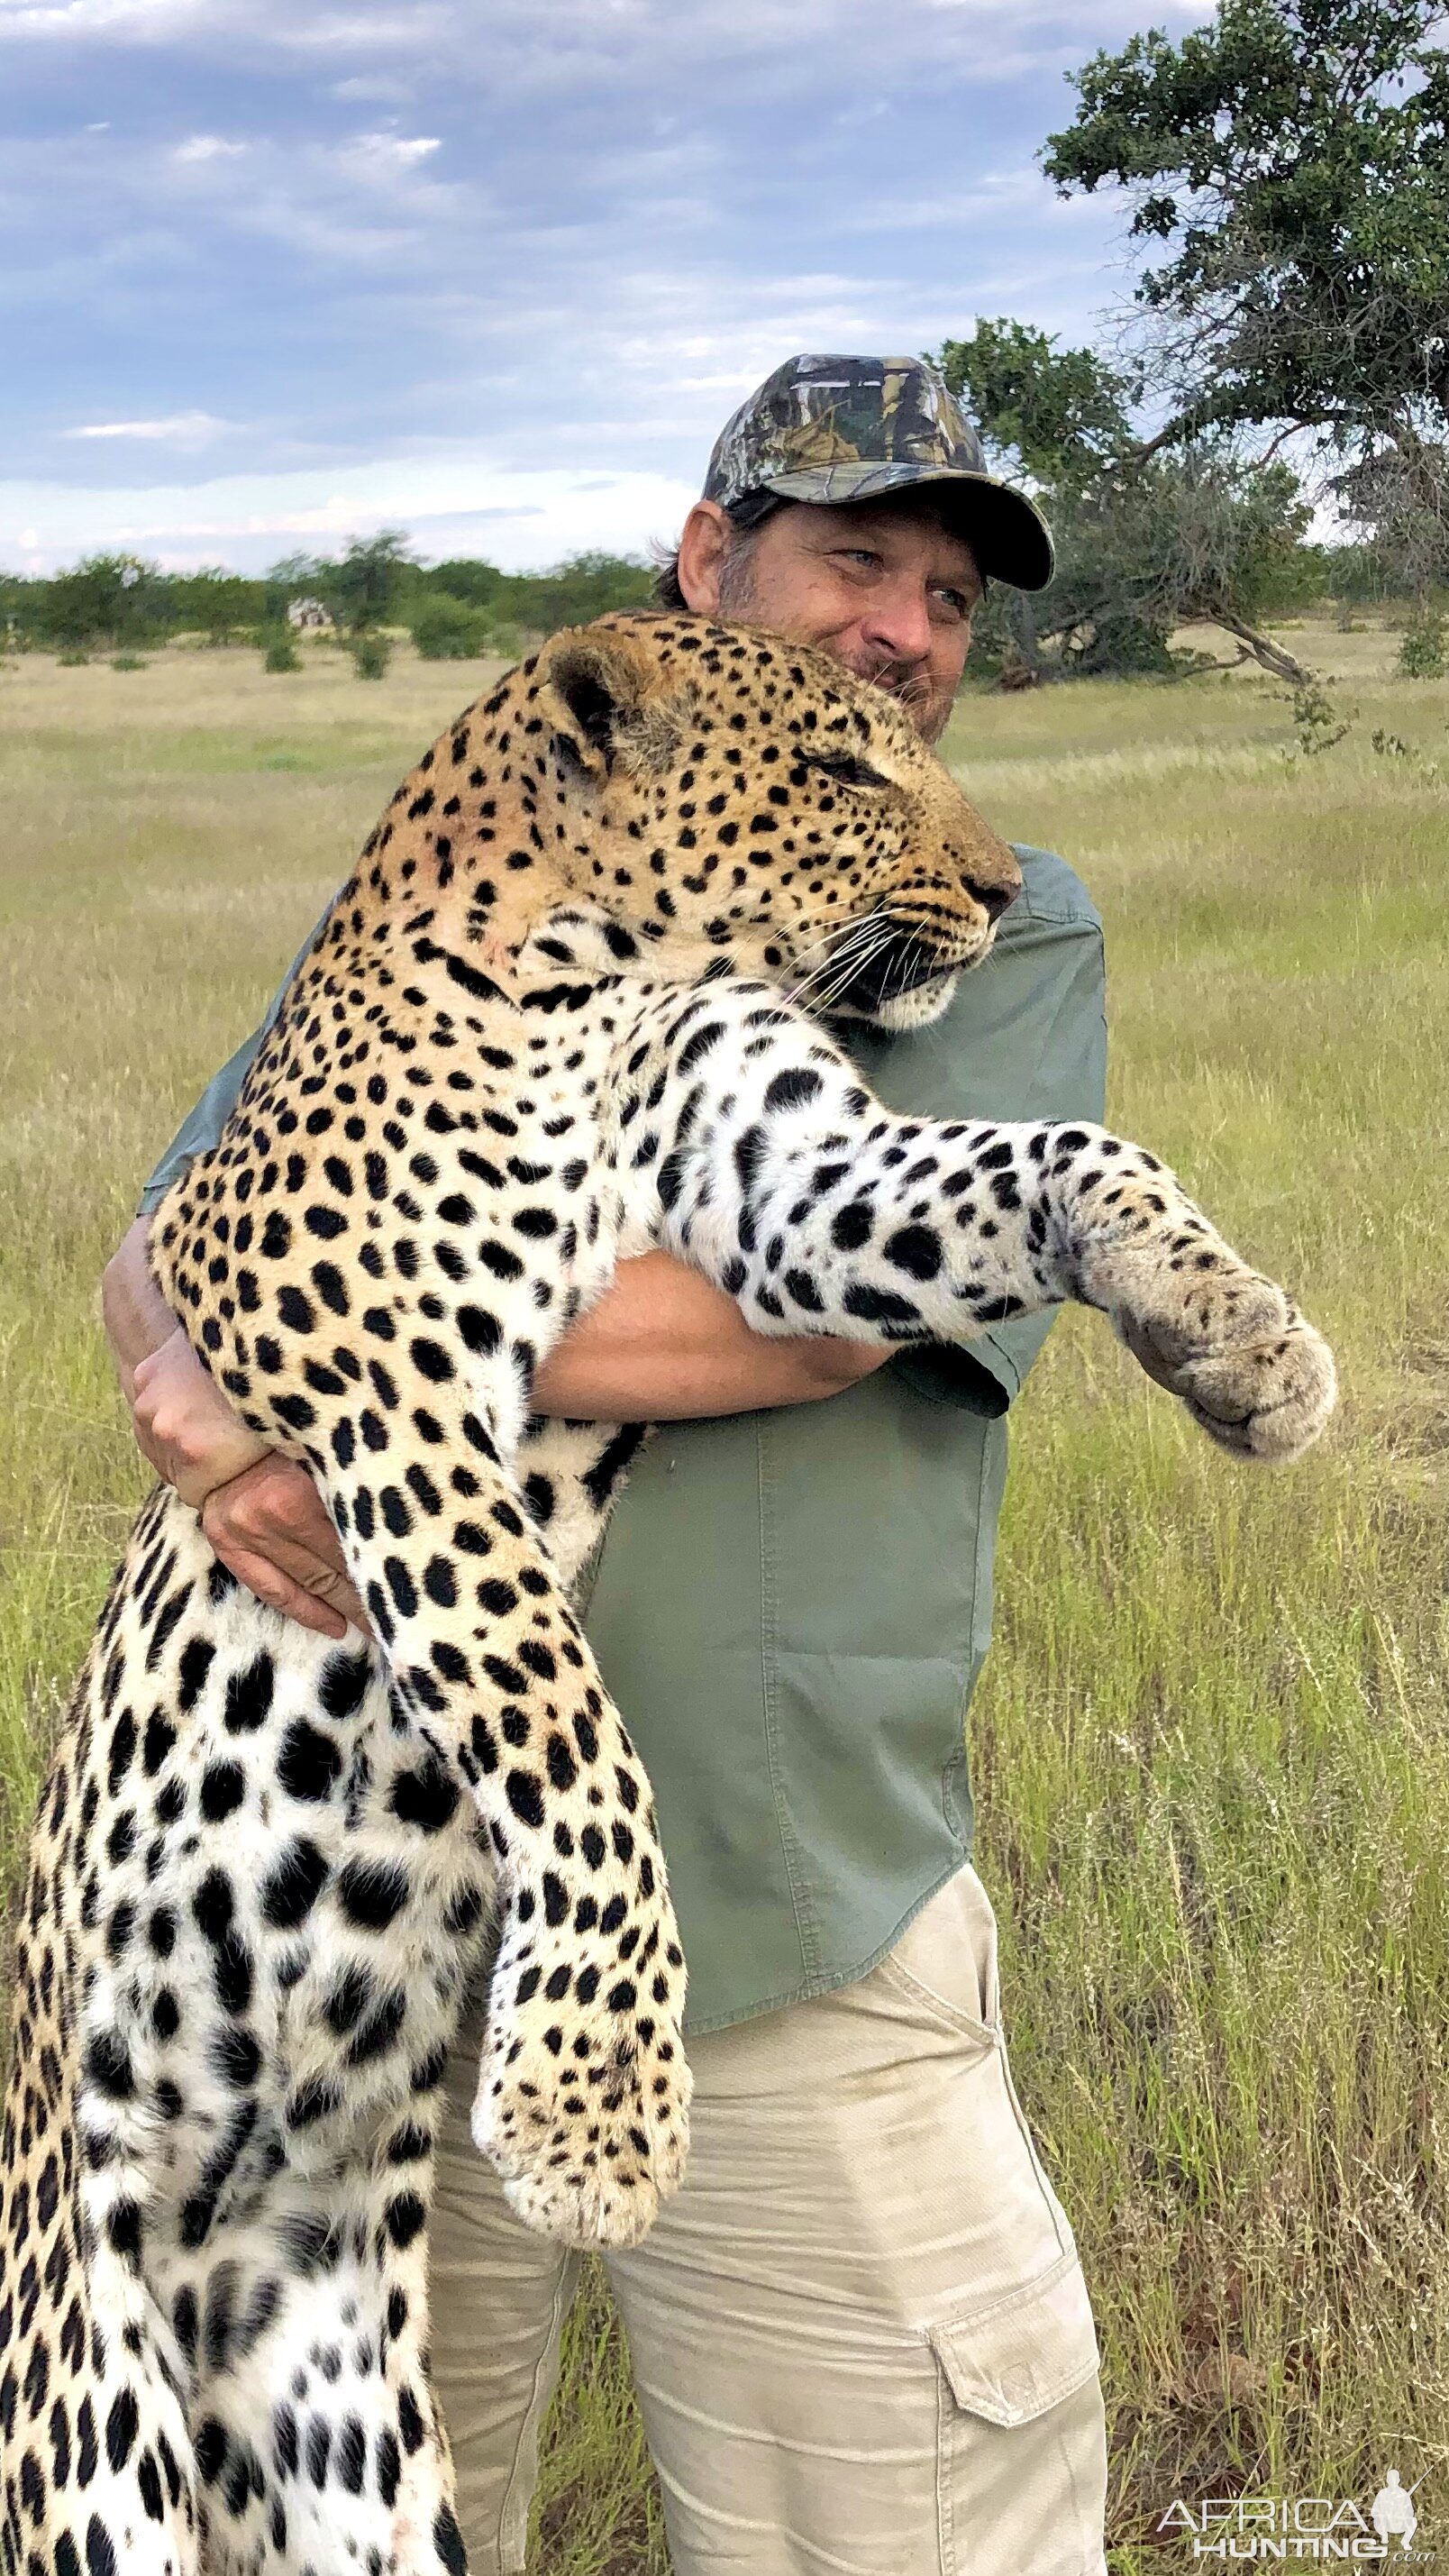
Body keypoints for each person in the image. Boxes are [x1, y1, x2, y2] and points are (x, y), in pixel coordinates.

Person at [103, 355, 1110, 2576]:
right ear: (704, 557)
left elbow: (835, 1304)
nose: (908, 632)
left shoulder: (1005, 918)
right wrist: (188, 1384)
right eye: (858, 556)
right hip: (383, 1945)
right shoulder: (493, 837)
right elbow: (178, 1220)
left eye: (951, 596)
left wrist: (337, 1330)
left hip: (774, 1943)